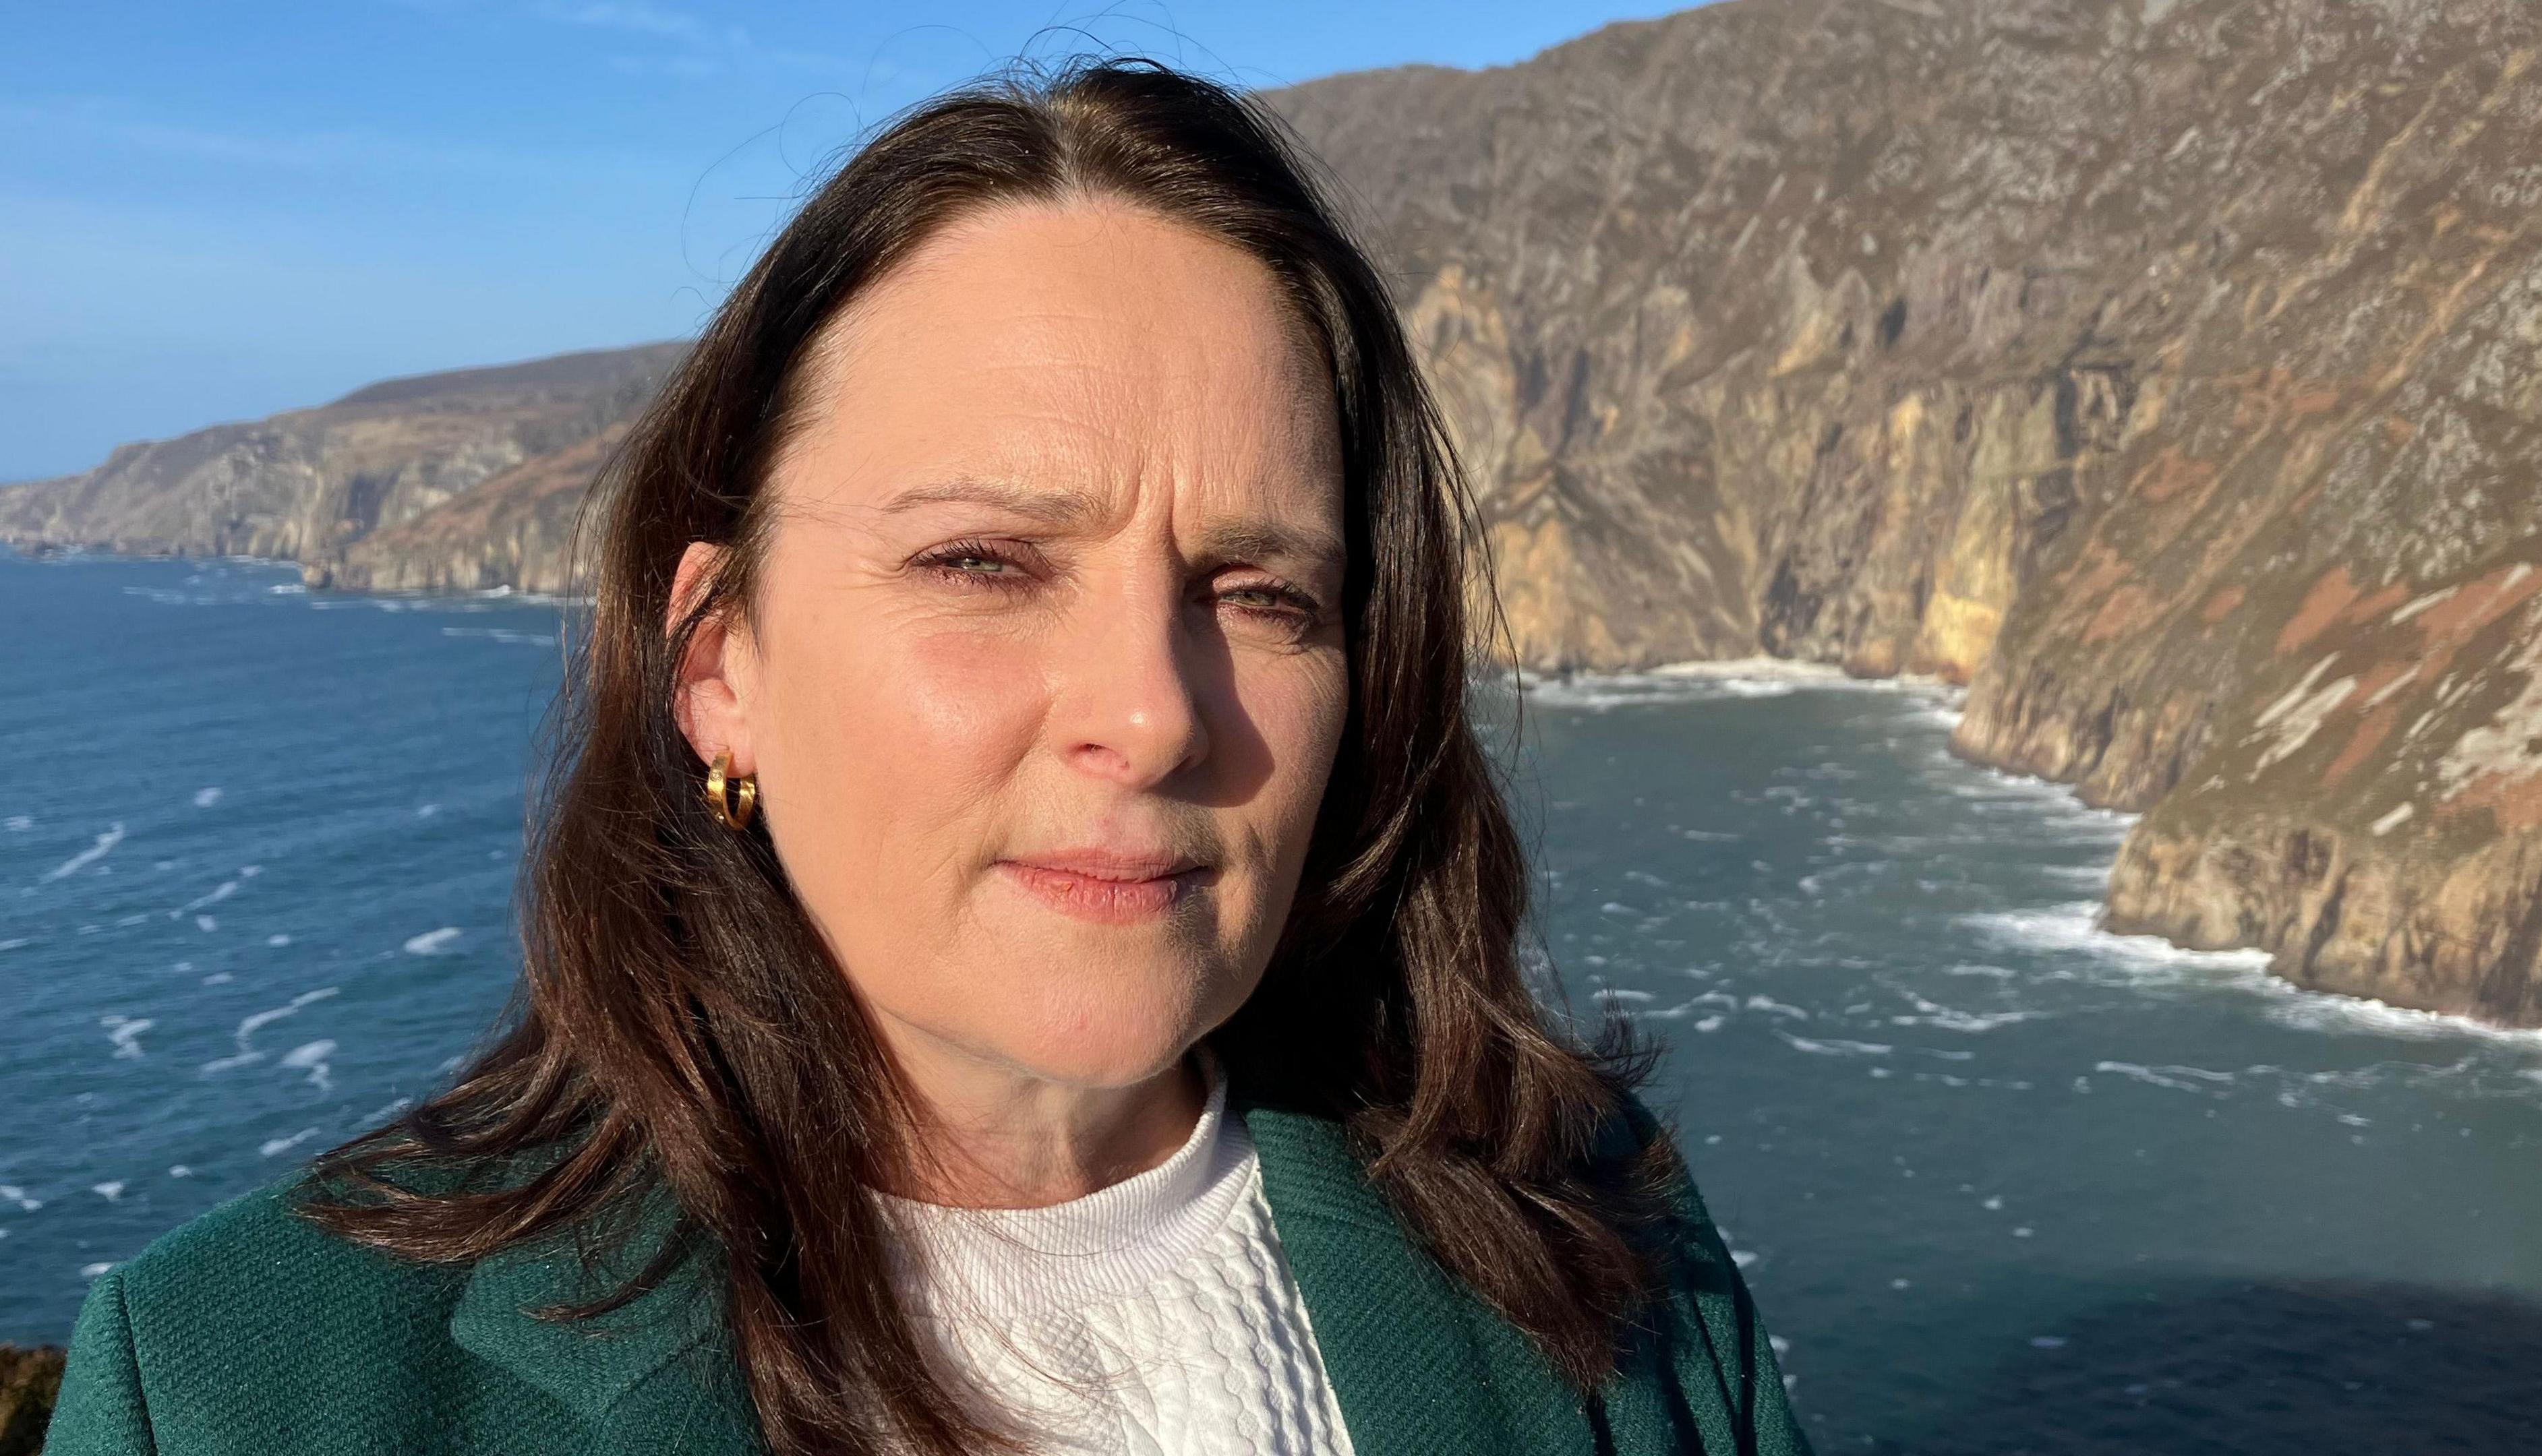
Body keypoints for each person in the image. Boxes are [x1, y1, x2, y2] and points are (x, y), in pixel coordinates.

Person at [42, 55, 1812, 1456]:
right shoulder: (246, 1387)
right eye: (985, 563)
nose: (1157, 709)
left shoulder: (1598, 1241)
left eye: (1261, 592)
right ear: (721, 667)